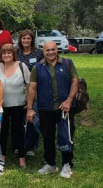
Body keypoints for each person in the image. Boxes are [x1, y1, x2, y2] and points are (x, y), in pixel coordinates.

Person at [26, 41, 79, 179]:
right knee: (47, 137)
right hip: (45, 108)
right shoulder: (37, 67)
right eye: (47, 50)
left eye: (53, 49)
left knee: (66, 137)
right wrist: (30, 108)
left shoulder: (67, 63)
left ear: (57, 50)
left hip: (65, 108)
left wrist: (69, 100)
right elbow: (32, 88)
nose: (50, 52)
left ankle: (67, 164)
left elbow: (75, 82)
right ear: (43, 52)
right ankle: (50, 164)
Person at [0, 44, 30, 169]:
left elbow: (30, 85)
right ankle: (2, 156)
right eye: (4, 53)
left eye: (9, 53)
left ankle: (21, 158)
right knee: (1, 131)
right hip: (1, 107)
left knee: (18, 131)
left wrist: (29, 103)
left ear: (13, 54)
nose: (6, 55)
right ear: (1, 55)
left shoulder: (21, 66)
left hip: (18, 105)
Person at [16, 29, 44, 156]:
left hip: (35, 89)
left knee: (33, 117)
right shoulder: (16, 53)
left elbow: (43, 68)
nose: (26, 40)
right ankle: (21, 145)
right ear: (20, 40)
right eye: (24, 38)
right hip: (19, 89)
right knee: (20, 120)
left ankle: (32, 146)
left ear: (32, 40)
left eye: (28, 38)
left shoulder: (38, 53)